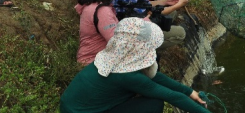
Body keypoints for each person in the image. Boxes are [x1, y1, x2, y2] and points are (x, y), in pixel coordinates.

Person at [60, 17, 210, 113]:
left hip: (71, 107)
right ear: (140, 49)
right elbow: (172, 97)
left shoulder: (113, 59)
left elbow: (155, 77)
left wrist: (189, 92)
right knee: (153, 104)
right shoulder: (128, 76)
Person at [75, 0, 129, 65]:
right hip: (95, 62)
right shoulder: (103, 11)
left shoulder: (91, 5)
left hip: (89, 59)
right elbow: (115, 43)